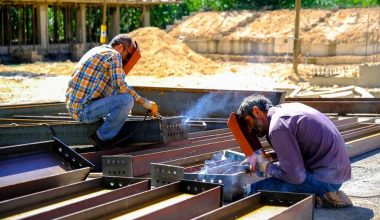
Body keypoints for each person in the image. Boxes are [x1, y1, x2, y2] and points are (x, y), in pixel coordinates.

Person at [237, 95, 353, 208]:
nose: (250, 129)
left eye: (248, 122)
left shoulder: (277, 126)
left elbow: (296, 177)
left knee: (254, 189)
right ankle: (325, 193)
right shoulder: (287, 110)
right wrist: (271, 156)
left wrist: (266, 166)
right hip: (337, 175)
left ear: (256, 111)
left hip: (324, 179)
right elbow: (301, 147)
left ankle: (321, 197)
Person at [66, 33, 158, 149]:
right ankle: (102, 138)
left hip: (75, 108)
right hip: (83, 111)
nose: (125, 60)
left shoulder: (98, 50)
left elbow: (117, 85)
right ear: (120, 47)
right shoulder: (114, 55)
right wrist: (145, 103)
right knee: (126, 100)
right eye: (128, 56)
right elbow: (120, 86)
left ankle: (105, 133)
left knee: (122, 95)